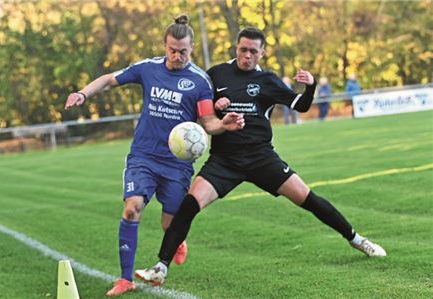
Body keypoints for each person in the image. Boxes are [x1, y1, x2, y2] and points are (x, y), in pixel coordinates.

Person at [135, 27, 386, 286]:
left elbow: (301, 105)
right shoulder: (216, 74)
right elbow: (202, 110)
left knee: (307, 198)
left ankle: (358, 240)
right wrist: (216, 105)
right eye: (243, 49)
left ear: (262, 53)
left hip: (261, 158)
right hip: (224, 160)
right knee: (189, 205)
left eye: (253, 51)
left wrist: (309, 87)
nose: (247, 55)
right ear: (236, 48)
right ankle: (160, 267)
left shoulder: (268, 80)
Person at [64, 15, 244, 297]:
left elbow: (207, 121)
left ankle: (177, 240)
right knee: (132, 207)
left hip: (177, 164)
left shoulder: (200, 82)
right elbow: (109, 80)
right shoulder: (148, 68)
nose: (176, 56)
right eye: (172, 49)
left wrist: (224, 125)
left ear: (192, 48)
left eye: (183, 51)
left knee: (169, 225)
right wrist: (83, 93)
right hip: (143, 157)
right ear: (164, 45)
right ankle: (125, 279)